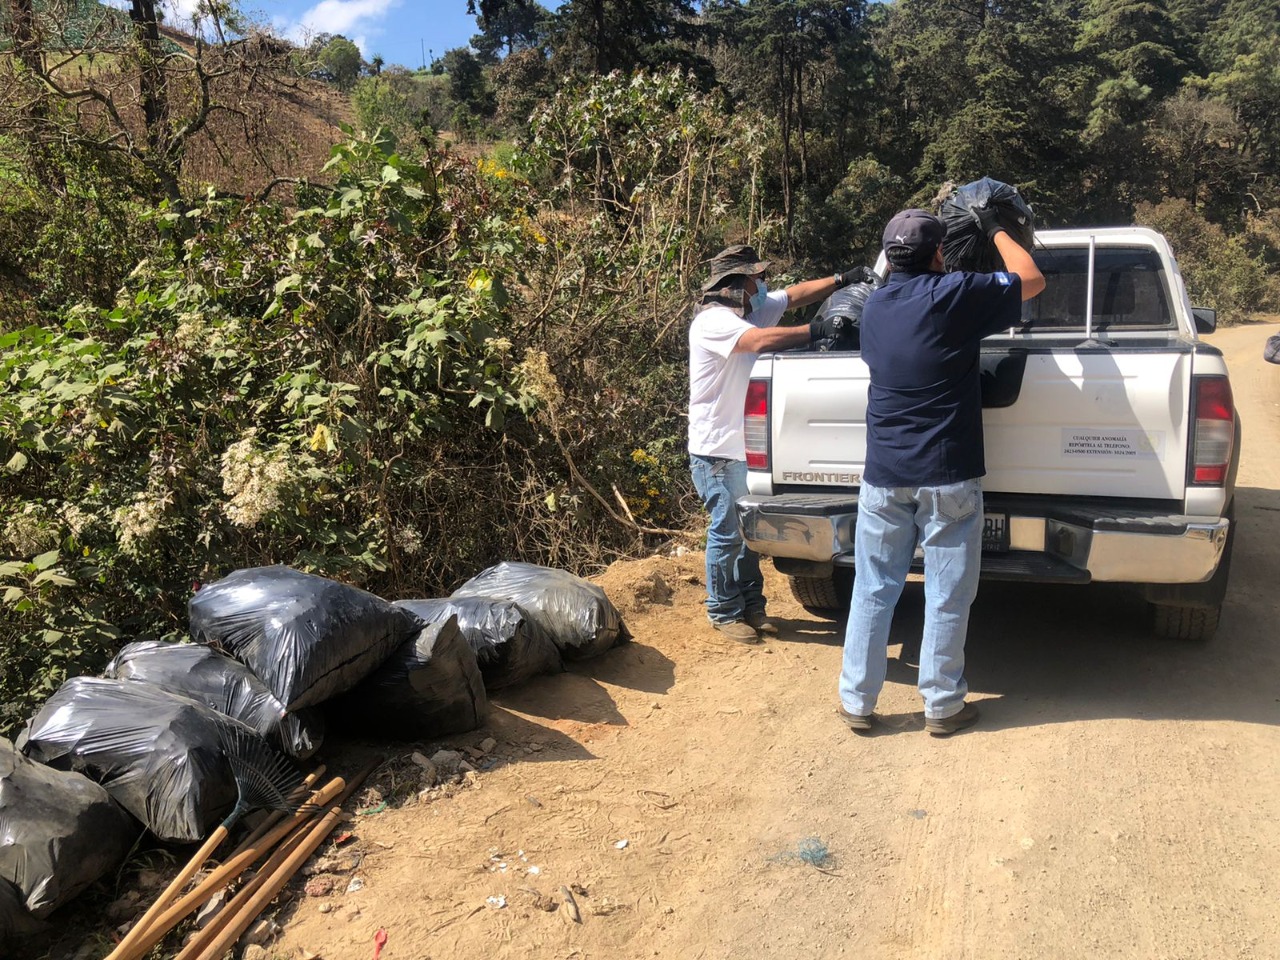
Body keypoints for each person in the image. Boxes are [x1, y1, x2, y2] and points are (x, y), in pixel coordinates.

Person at [837, 207, 1046, 734]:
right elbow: (1032, 279)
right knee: (946, 592)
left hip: (883, 473)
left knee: (873, 587)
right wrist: (996, 226)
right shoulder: (954, 295)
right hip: (946, 472)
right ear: (938, 255)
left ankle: (857, 702)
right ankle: (943, 706)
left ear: (888, 256)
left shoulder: (875, 307)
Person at [689, 244, 866, 643]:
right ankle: (723, 611)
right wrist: (815, 331)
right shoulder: (714, 322)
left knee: (747, 532)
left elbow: (796, 294)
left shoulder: (749, 313)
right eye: (757, 278)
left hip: (743, 450)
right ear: (738, 284)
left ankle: (752, 607)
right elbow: (759, 343)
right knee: (726, 532)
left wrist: (842, 280)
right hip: (716, 450)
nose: (763, 284)